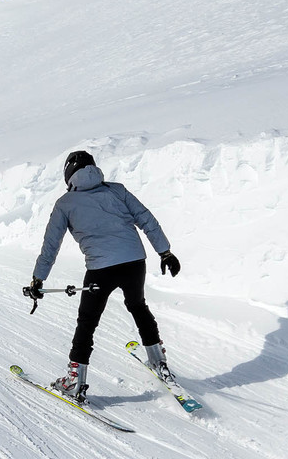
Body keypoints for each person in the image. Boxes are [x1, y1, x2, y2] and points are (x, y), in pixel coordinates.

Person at [25, 150, 181, 402]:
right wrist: (165, 252)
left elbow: (50, 245)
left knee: (87, 321)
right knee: (138, 306)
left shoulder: (64, 204)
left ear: (68, 174)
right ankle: (158, 361)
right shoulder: (117, 190)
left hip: (101, 269)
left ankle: (75, 381)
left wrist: (38, 279)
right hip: (134, 261)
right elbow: (146, 218)